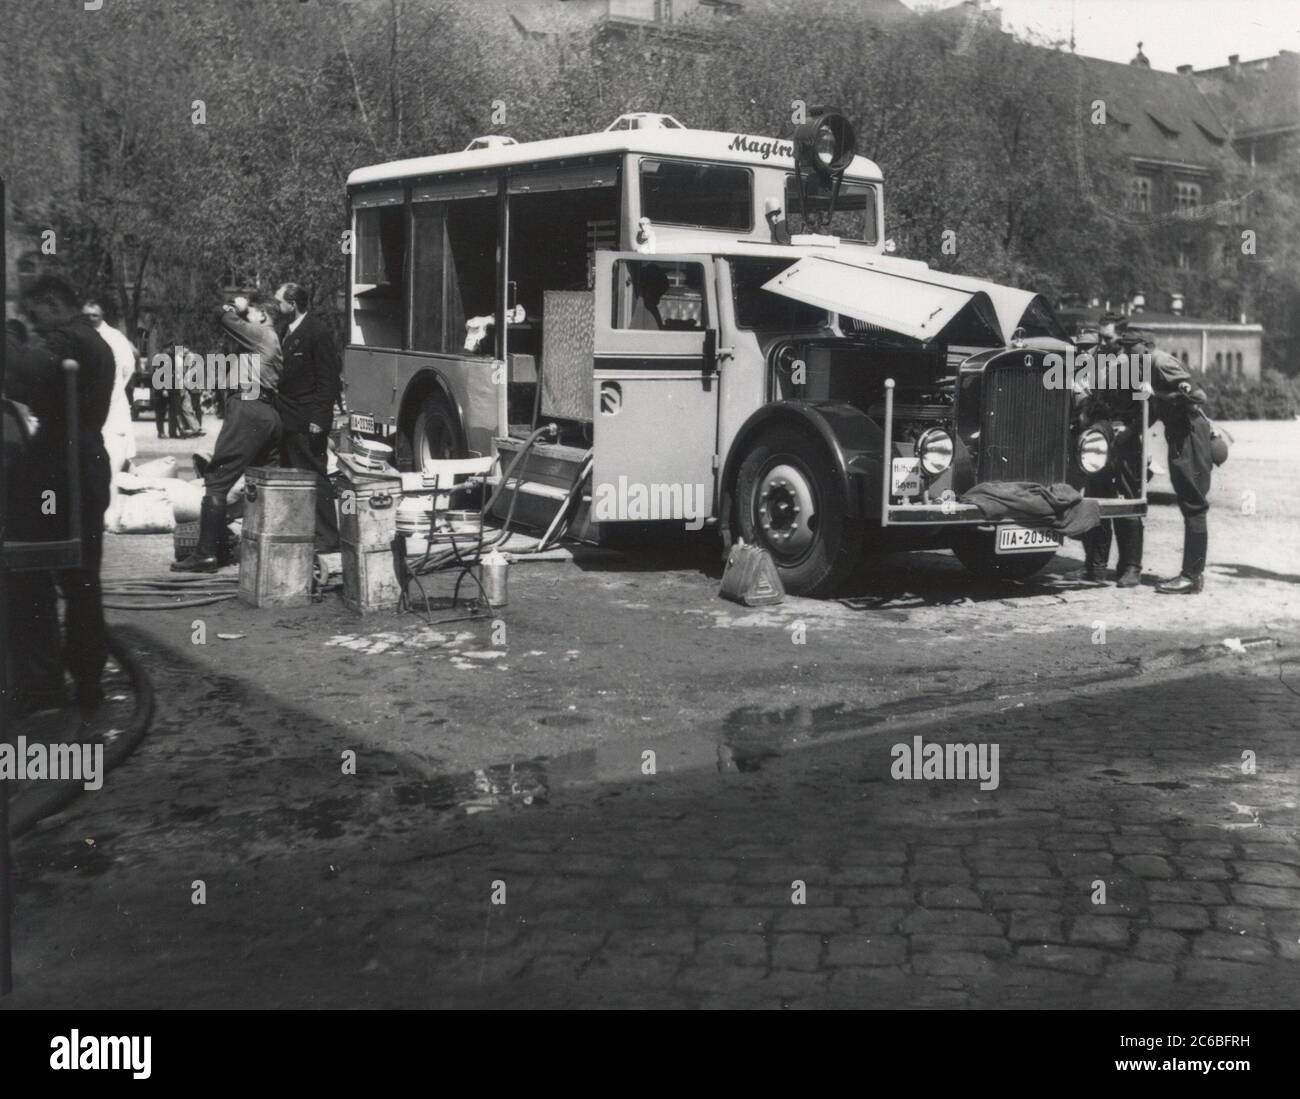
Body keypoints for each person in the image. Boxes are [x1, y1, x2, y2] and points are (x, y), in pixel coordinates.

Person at [6, 274, 116, 714]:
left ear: (51, 303)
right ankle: (88, 680)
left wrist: (10, 334)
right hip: (86, 462)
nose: (34, 324)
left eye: (35, 314)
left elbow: (19, 374)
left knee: (29, 570)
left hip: (58, 466)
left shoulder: (68, 340)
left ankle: (40, 685)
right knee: (83, 580)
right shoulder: (94, 340)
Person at [173, 296, 284, 572]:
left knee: (217, 479)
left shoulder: (260, 333)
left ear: (262, 316)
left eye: (254, 312)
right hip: (267, 412)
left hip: (247, 407)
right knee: (262, 484)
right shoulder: (269, 340)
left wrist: (237, 305)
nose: (249, 316)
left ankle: (207, 554)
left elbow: (220, 313)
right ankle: (265, 550)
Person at [272, 281, 340, 551]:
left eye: (280, 302)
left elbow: (328, 380)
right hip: (287, 417)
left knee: (315, 476)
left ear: (293, 304)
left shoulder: (317, 332)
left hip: (306, 419)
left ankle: (328, 537)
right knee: (293, 476)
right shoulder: (284, 331)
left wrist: (319, 419)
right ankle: (302, 531)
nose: (277, 307)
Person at [1080, 313, 1145, 586]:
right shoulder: (1096, 359)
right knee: (1096, 499)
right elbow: (1084, 392)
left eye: (1108, 337)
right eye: (1100, 337)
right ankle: (1096, 566)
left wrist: (1130, 432)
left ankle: (1131, 568)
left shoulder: (1135, 363)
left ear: (1122, 335)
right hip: (1099, 436)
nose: (1103, 342)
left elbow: (1144, 407)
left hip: (1126, 438)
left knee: (1127, 502)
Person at [1148, 343, 1213, 594]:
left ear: (1142, 346)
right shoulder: (1145, 365)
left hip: (1189, 436)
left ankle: (1191, 577)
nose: (1122, 351)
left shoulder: (1161, 363)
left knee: (1194, 505)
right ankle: (1192, 575)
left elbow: (1199, 396)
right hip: (1179, 437)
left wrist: (1157, 394)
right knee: (1191, 504)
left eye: (1127, 346)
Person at [83, 300, 138, 511]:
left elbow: (127, 368)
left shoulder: (115, 337)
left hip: (113, 404)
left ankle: (109, 510)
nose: (90, 319)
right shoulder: (82, 337)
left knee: (112, 458)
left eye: (94, 315)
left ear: (101, 314)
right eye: (86, 315)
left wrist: (114, 390)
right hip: (92, 406)